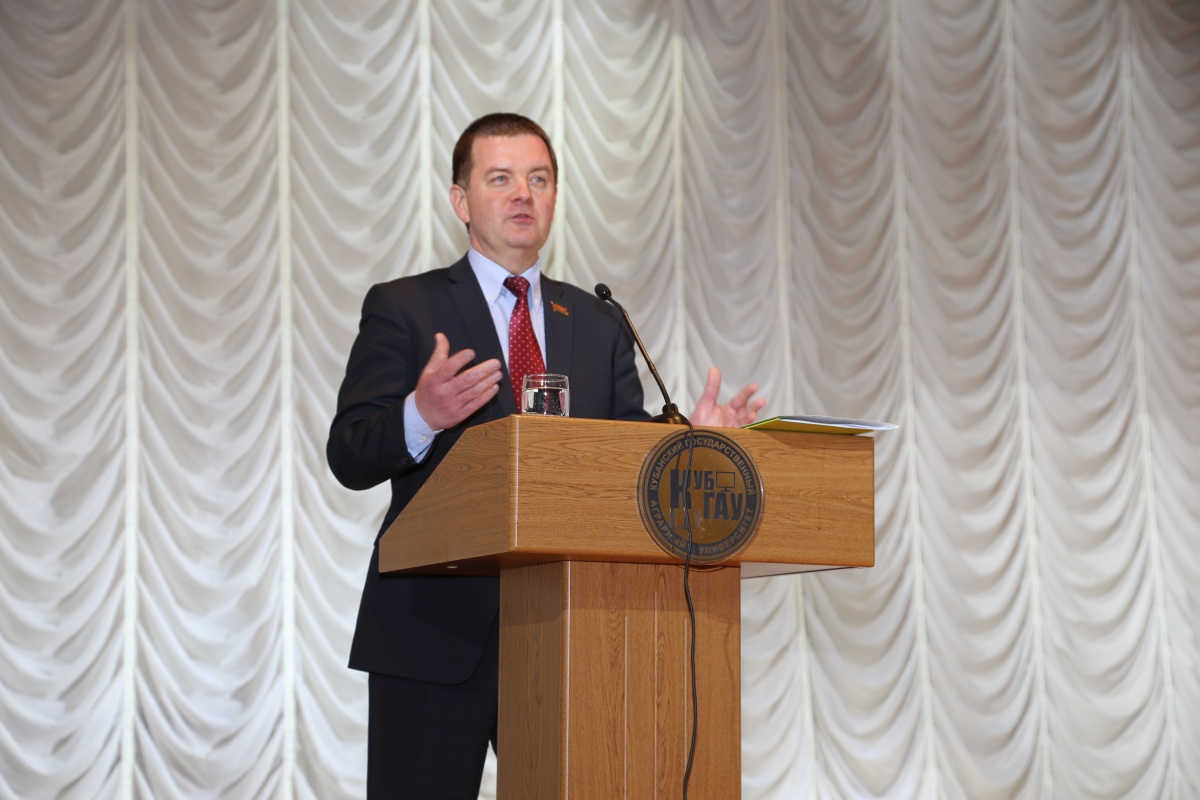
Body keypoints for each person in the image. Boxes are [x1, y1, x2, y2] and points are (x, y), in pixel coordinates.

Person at [327, 112, 766, 799]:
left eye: (539, 179)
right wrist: (421, 414)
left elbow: (622, 457)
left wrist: (690, 445)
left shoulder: (597, 320)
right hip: (435, 630)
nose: (522, 195)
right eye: (500, 179)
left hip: (575, 632)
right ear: (460, 200)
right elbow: (350, 453)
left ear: (556, 196)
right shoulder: (406, 308)